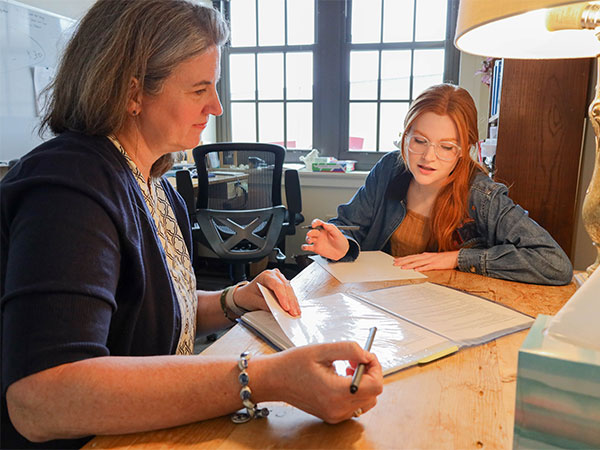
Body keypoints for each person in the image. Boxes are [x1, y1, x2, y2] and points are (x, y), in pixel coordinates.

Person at [0, 1, 383, 448]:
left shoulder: (161, 190)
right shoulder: (70, 185)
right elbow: (42, 398)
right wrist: (264, 378)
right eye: (200, 89)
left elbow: (153, 311)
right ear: (133, 93)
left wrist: (235, 298)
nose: (217, 107)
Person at [303, 84, 573, 286]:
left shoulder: (482, 195)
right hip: (385, 303)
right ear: (405, 134)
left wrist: (457, 258)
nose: (428, 157)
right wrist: (343, 246)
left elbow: (554, 263)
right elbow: (348, 225)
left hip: (451, 311)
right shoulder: (389, 169)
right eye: (419, 141)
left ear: (464, 150)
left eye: (446, 146)